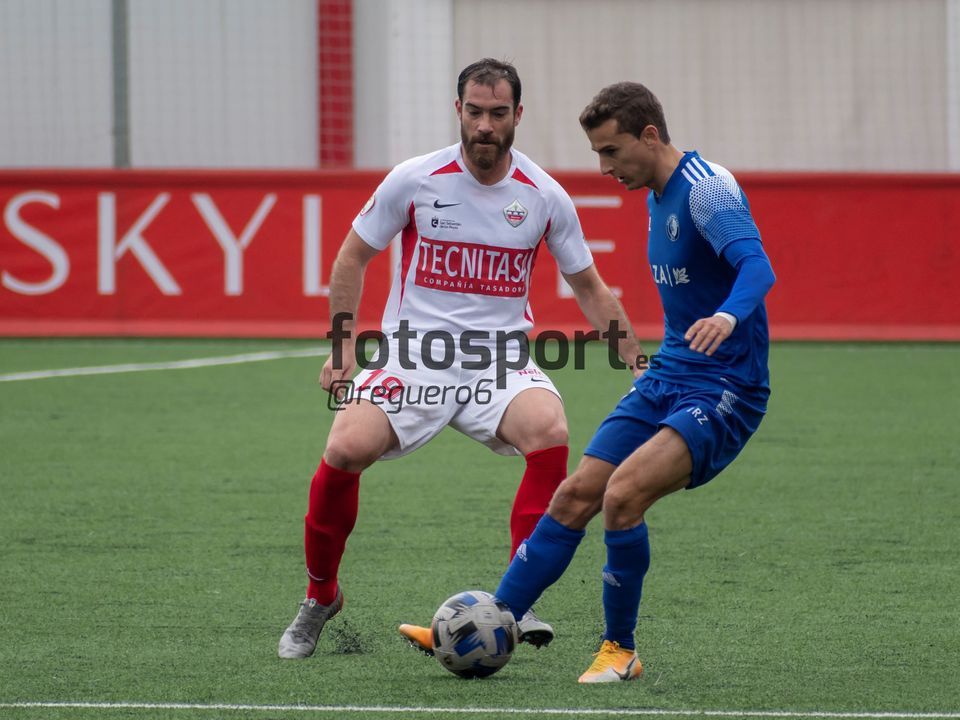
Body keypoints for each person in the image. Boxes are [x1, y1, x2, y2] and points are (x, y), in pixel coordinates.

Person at [403, 81, 775, 682]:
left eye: (611, 151)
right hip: (671, 374)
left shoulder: (708, 189)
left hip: (726, 387)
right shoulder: (656, 194)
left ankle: (619, 651)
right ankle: (491, 620)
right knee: (575, 495)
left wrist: (728, 317)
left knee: (622, 496)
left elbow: (757, 266)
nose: (604, 167)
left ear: (649, 136)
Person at [278, 60, 642, 659]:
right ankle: (321, 596)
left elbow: (589, 287)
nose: (485, 126)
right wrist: (343, 345)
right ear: (459, 111)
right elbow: (351, 257)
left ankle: (517, 598)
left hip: (498, 359)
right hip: (411, 355)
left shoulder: (544, 196)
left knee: (549, 429)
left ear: (517, 115)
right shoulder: (415, 179)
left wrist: (636, 360)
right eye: (474, 112)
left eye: (498, 113)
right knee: (344, 448)